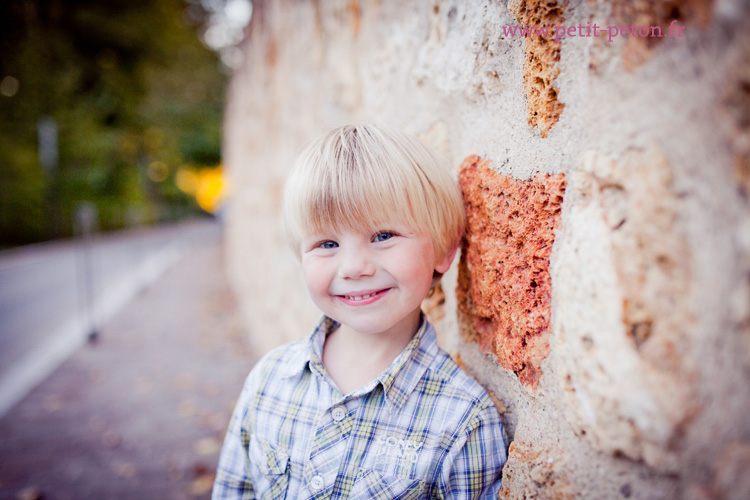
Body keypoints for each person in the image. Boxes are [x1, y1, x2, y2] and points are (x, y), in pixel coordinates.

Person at [212, 124, 507, 499]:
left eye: (383, 236)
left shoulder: (464, 420)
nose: (354, 267)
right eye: (327, 243)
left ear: (444, 250)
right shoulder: (269, 380)